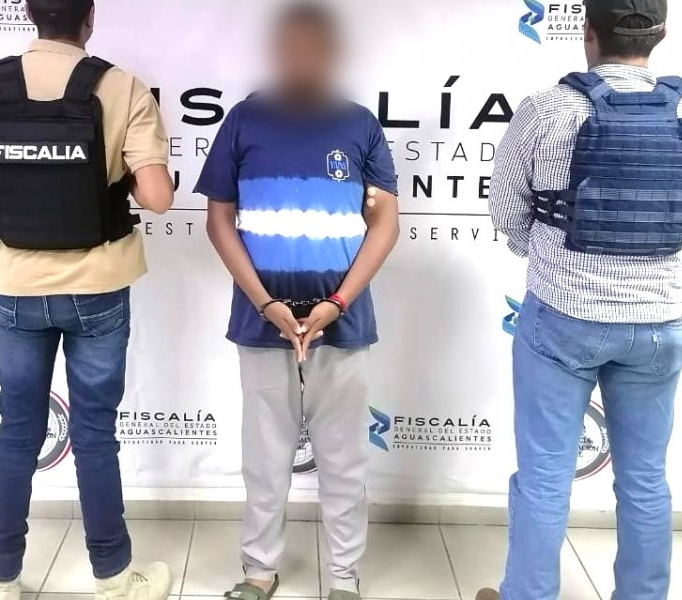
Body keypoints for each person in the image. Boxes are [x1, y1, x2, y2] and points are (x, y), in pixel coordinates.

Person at [0, 1, 175, 599]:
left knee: (17, 433)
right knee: (93, 435)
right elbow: (158, 197)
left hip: (17, 289)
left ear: (29, 14)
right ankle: (114, 577)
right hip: (98, 287)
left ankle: (0, 578)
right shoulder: (122, 87)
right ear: (90, 18)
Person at [478, 0, 682, 599]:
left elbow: (506, 210)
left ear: (588, 32)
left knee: (544, 477)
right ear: (661, 33)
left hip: (564, 317)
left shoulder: (548, 108)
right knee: (645, 479)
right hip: (658, 323)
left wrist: (549, 253)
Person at [195, 3, 400, 599]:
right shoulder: (243, 121)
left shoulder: (359, 125)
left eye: (315, 48)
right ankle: (259, 571)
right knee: (264, 460)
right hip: (262, 321)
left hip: (343, 321)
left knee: (344, 462)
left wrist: (338, 301)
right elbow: (219, 222)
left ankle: (343, 579)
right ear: (277, 52)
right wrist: (265, 304)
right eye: (292, 47)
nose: (303, 59)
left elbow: (385, 223)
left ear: (333, 54)